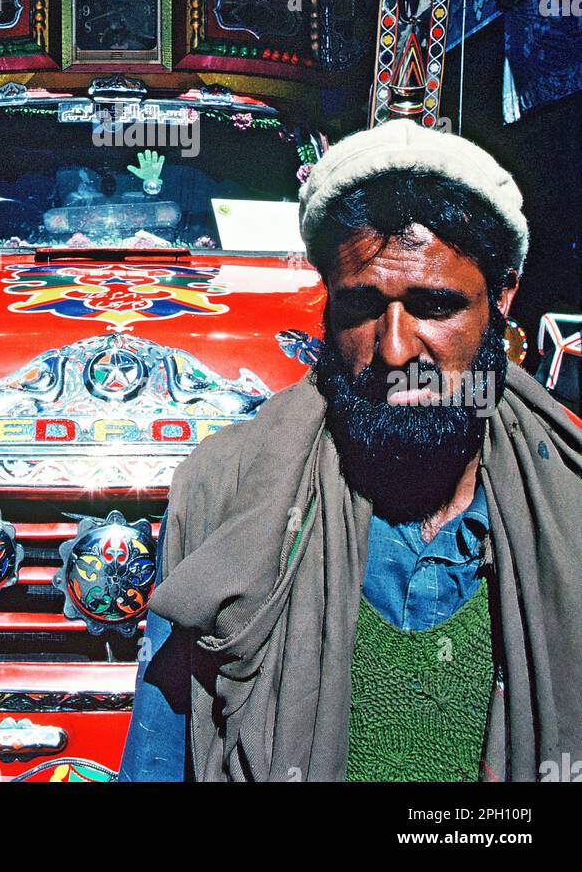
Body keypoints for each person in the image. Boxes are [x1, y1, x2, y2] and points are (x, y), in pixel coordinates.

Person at [119, 118, 582, 783]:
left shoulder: (564, 494)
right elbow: (159, 757)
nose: (394, 350)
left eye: (433, 305)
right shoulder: (227, 490)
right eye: (363, 307)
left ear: (503, 295)